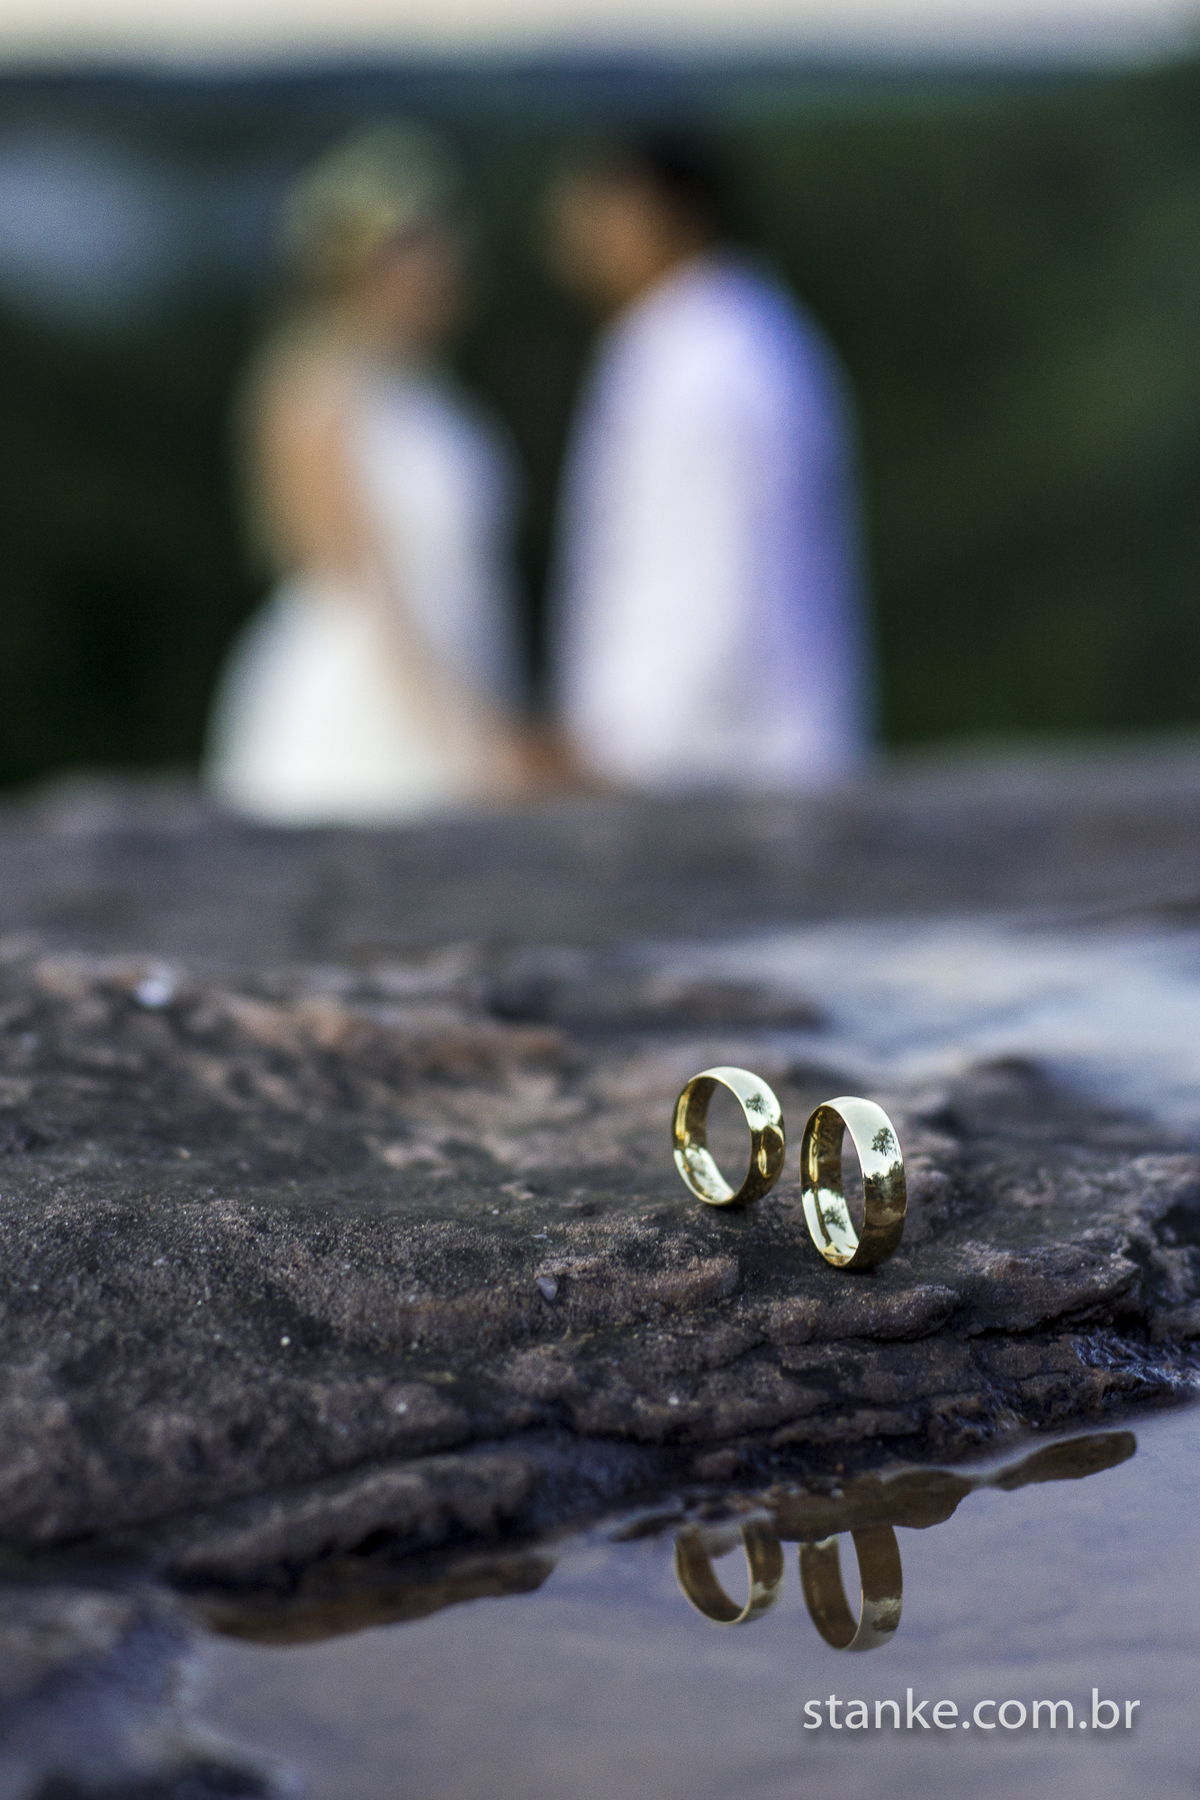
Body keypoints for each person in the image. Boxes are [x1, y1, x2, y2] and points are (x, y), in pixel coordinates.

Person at [205, 123, 533, 825]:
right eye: (424, 248)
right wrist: (464, 736)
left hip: (452, 666)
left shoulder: (425, 388)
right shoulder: (314, 392)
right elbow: (359, 583)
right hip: (364, 698)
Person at [545, 136, 872, 793]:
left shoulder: (703, 363)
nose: (580, 232)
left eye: (604, 210)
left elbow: (713, 581)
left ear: (673, 215)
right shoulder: (731, 337)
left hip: (712, 772)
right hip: (733, 759)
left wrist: (618, 748)